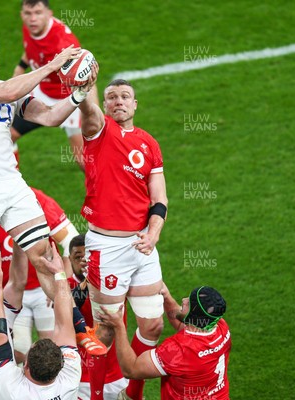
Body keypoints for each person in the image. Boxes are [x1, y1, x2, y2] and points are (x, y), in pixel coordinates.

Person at [0, 30, 103, 354]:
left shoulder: (11, 92)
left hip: (11, 183)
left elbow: (47, 116)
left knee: (46, 258)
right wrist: (51, 67)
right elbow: (4, 91)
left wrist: (77, 95)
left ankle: (79, 331)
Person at [77, 78, 169, 400]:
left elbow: (159, 198)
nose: (119, 101)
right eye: (111, 97)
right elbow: (88, 112)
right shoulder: (98, 132)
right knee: (103, 331)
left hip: (142, 246)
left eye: (125, 96)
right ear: (104, 105)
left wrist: (153, 233)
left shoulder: (149, 143)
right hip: (106, 247)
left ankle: (132, 394)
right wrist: (87, 84)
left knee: (153, 326)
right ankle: (95, 395)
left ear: (135, 104)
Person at [0, 243, 81, 399]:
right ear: (61, 365)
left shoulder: (71, 376)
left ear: (25, 366)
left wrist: (60, 274)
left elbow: (64, 323)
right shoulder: (68, 379)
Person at [98, 286, 231, 400]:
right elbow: (184, 323)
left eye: (188, 302)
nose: (184, 300)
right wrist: (166, 296)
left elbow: (131, 370)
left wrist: (119, 326)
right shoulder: (220, 327)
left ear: (194, 315)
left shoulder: (178, 351)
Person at [11, 0, 100, 171]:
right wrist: (21, 66)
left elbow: (84, 77)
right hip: (41, 94)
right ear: (22, 14)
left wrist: (91, 111)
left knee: (85, 161)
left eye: (38, 13)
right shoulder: (32, 28)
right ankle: (12, 183)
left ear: (49, 14)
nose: (32, 19)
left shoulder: (62, 44)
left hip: (68, 100)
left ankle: (102, 193)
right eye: (28, 14)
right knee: (8, 136)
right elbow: (31, 49)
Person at [11, 187, 80, 363]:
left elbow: (71, 239)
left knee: (54, 350)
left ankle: (51, 388)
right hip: (11, 292)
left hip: (46, 290)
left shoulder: (35, 199)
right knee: (18, 352)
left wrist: (63, 280)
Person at [67, 235, 128, 400]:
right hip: (84, 378)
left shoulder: (114, 282)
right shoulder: (65, 287)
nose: (82, 261)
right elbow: (70, 308)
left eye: (86, 257)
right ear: (69, 260)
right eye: (77, 257)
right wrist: (91, 277)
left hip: (120, 374)